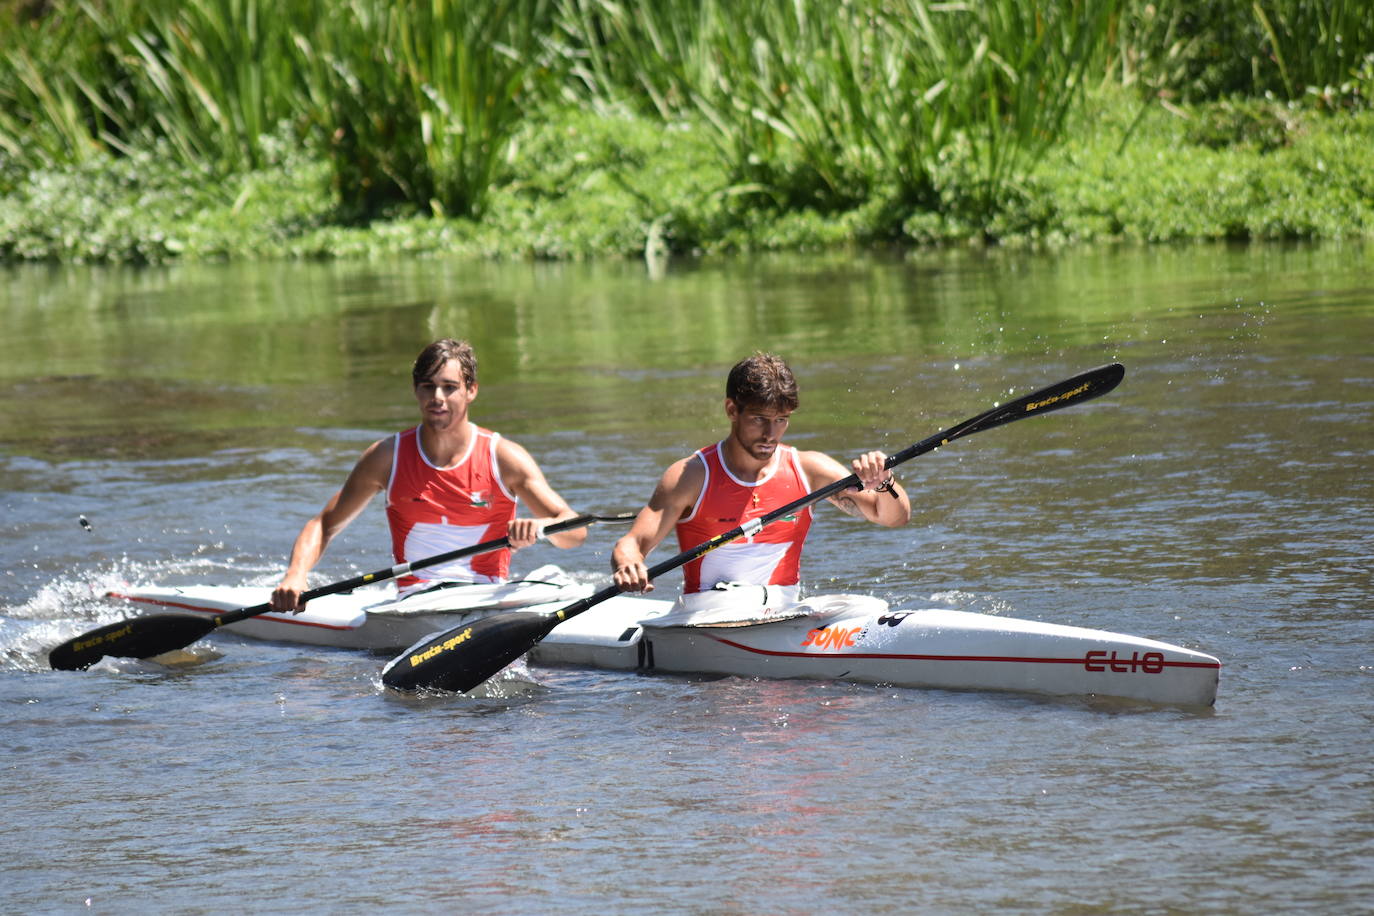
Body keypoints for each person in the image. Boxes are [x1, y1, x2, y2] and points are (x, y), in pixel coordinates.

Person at [270, 338, 586, 612]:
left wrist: (541, 527)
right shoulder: (386, 457)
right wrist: (296, 575)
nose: (437, 397)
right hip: (415, 601)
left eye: (449, 387)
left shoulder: (504, 457)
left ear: (471, 390)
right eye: (428, 386)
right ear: (415, 391)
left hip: (489, 594)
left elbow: (575, 531)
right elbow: (324, 524)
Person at [611, 352, 910, 603]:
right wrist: (629, 564)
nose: (771, 434)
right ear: (732, 410)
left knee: (862, 606)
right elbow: (632, 543)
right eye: (759, 419)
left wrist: (884, 483)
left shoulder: (810, 470)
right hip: (707, 617)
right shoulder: (691, 476)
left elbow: (894, 518)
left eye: (781, 420)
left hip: (783, 615)